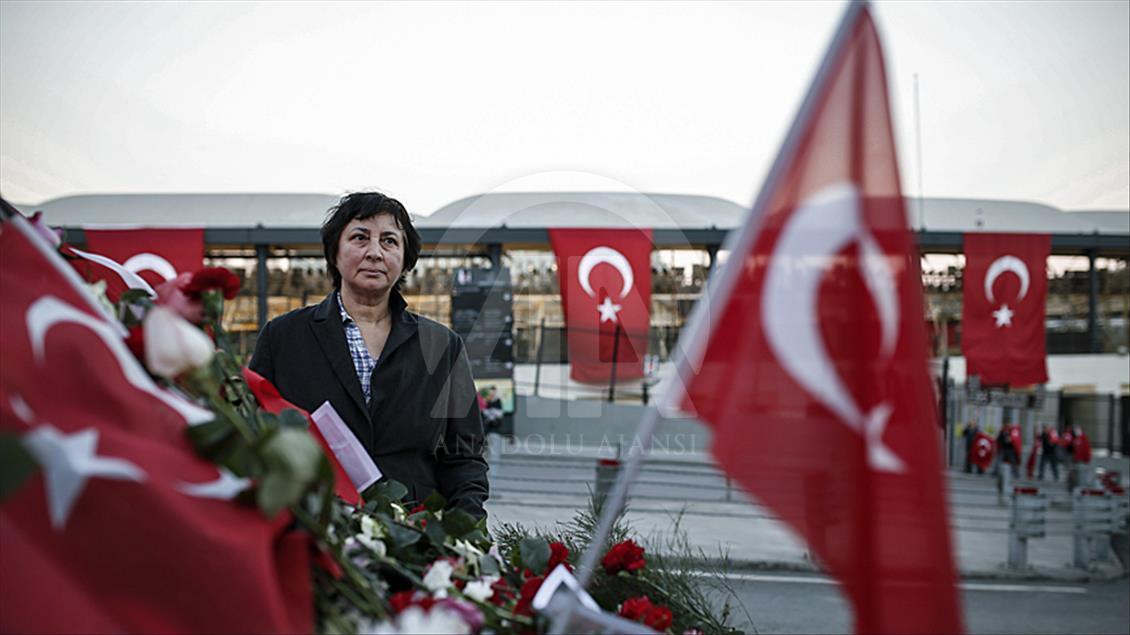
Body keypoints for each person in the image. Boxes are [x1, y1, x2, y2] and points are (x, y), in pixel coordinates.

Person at [250, 192, 488, 518]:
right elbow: (254, 435)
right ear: (334, 252)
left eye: (389, 241)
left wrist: (466, 530)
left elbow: (464, 456)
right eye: (360, 238)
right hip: (312, 529)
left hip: (416, 537)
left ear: (405, 259)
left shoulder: (442, 346)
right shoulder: (282, 338)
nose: (374, 252)